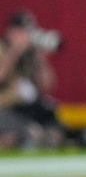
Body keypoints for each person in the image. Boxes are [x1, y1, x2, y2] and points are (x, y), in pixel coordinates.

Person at [0, 11, 64, 149]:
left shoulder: (32, 54)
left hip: (27, 107)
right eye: (23, 31)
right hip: (6, 106)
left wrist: (41, 57)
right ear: (11, 32)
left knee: (53, 129)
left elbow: (48, 85)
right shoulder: (3, 49)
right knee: (27, 134)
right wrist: (15, 51)